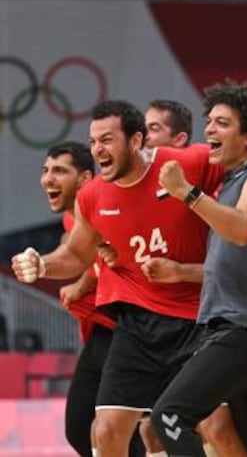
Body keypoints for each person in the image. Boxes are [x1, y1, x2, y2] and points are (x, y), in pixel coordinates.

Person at [11, 100, 224, 457]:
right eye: (94, 141)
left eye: (107, 140)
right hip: (135, 324)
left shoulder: (185, 163)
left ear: (136, 140)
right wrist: (42, 264)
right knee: (106, 430)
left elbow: (240, 174)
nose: (98, 150)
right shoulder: (93, 196)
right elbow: (76, 254)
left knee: (214, 428)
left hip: (197, 319)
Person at [149, 80, 247, 456]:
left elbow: (245, 228)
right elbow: (232, 263)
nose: (209, 130)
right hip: (243, 328)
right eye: (209, 122)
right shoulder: (230, 184)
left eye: (222, 123)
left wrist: (187, 192)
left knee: (170, 416)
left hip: (246, 328)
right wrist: (181, 272)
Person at [36, 141, 128, 457]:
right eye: (46, 170)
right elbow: (91, 258)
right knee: (79, 429)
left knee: (127, 430)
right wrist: (82, 281)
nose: (48, 178)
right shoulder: (70, 221)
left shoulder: (109, 208)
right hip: (103, 330)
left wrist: (79, 283)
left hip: (131, 328)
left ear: (85, 179)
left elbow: (107, 254)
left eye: (60, 170)